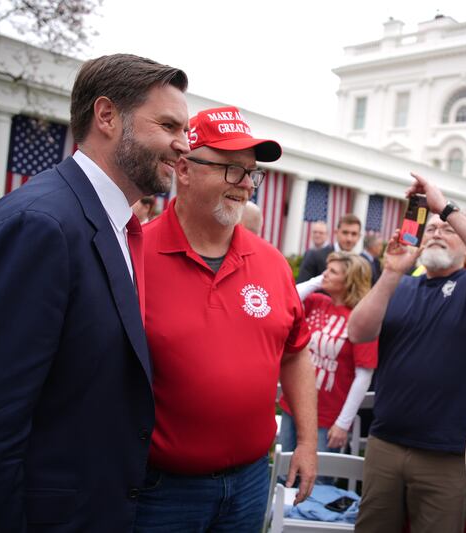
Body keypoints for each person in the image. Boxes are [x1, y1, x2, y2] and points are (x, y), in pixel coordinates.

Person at [0, 54, 189, 531]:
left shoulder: (116, 225)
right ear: (106, 116)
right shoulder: (38, 225)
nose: (183, 145)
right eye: (169, 125)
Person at [136, 105, 317, 533]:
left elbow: (295, 354)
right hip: (160, 490)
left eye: (252, 173)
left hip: (250, 482)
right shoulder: (133, 254)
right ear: (183, 169)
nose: (246, 186)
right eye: (231, 170)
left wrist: (307, 443)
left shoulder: (272, 263)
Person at [348, 173, 466, 533]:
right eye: (430, 227)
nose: (435, 232)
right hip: (386, 443)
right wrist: (391, 273)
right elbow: (358, 331)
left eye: (447, 228)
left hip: (446, 454)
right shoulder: (402, 285)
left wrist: (446, 208)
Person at [279, 251, 378, 458]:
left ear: (349, 279)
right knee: (283, 473)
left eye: (332, 272)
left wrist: (343, 423)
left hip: (327, 418)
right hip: (293, 404)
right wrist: (317, 282)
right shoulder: (317, 302)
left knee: (317, 483)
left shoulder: (362, 319)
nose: (325, 274)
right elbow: (287, 298)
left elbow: (364, 376)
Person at [297, 214, 362, 283]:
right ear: (336, 233)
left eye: (354, 234)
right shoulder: (315, 256)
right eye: (345, 233)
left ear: (359, 236)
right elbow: (301, 287)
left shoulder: (361, 264)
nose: (349, 239)